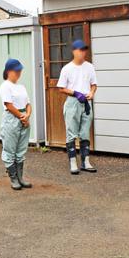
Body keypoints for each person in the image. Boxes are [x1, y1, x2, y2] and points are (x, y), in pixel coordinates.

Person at [57, 39, 98, 175]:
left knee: (85, 132)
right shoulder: (67, 68)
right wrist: (75, 92)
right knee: (71, 133)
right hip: (73, 103)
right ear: (74, 51)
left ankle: (86, 162)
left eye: (84, 50)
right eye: (80, 50)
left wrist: (91, 93)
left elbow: (94, 84)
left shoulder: (90, 67)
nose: (83, 52)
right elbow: (61, 88)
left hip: (86, 102)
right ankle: (73, 162)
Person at [0, 58, 33, 190]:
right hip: (12, 118)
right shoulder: (5, 86)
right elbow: (8, 104)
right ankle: (13, 178)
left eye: (20, 70)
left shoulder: (21, 87)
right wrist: (21, 116)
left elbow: (28, 104)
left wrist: (27, 115)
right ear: (9, 71)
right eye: (16, 70)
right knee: (10, 149)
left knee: (21, 149)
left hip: (24, 117)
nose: (19, 73)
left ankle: (20, 178)